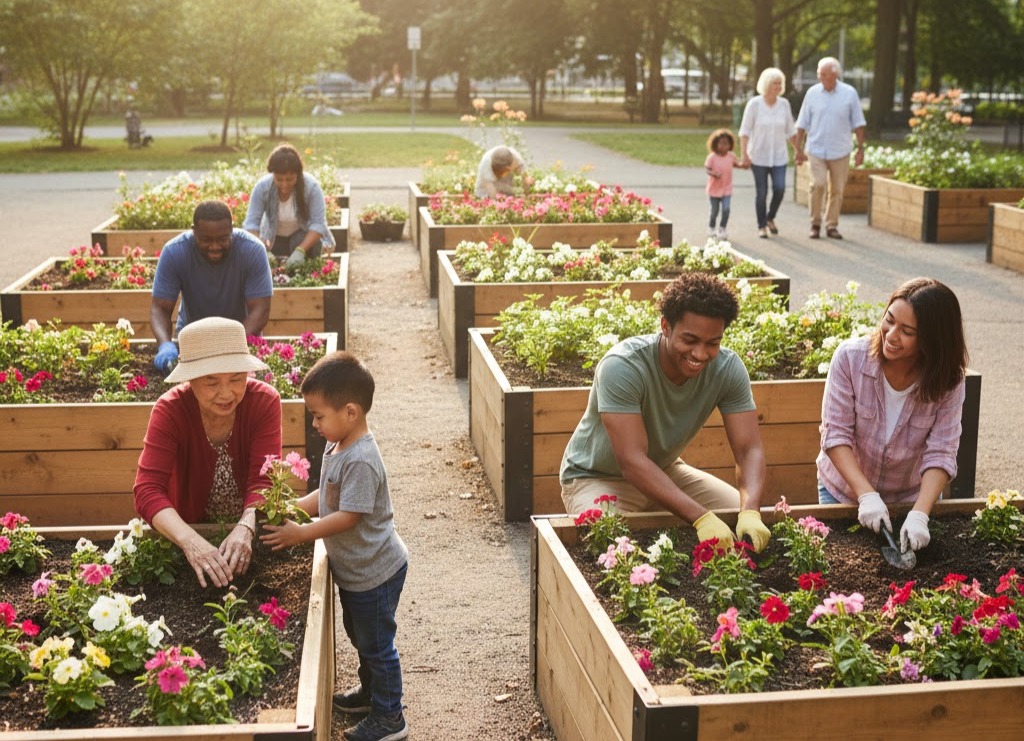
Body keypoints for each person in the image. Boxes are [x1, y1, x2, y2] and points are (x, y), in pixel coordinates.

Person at [559, 272, 772, 552]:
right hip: (595, 477)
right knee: (614, 552)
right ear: (665, 327)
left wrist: (750, 511)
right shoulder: (623, 366)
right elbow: (632, 461)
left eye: (712, 343)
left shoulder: (728, 368)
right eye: (690, 340)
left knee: (742, 526)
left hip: (664, 470)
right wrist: (701, 518)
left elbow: (748, 450)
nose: (700, 353)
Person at [261, 351, 409, 741]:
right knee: (361, 636)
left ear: (350, 412)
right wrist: (292, 507)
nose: (314, 423)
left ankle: (390, 717)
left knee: (378, 645)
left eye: (318, 415)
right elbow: (326, 497)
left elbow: (348, 516)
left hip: (375, 572)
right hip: (356, 570)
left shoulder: (361, 459)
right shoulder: (338, 444)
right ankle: (371, 694)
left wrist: (301, 533)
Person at [817, 278, 969, 554]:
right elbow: (836, 434)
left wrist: (920, 514)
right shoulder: (851, 359)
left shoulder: (949, 382)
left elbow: (942, 451)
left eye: (907, 331)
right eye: (889, 319)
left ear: (932, 341)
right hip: (844, 495)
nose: (891, 334)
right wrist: (866, 495)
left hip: (908, 500)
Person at [133, 317, 282, 588]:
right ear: (190, 379)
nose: (226, 393)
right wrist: (191, 543)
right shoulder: (170, 411)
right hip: (188, 532)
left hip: (251, 530)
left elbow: (264, 481)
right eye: (212, 382)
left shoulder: (264, 401)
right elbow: (147, 491)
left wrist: (246, 526)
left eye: (237, 378)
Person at [150, 200, 273, 373]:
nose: (215, 247)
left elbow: (260, 310)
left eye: (223, 239)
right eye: (206, 240)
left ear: (232, 230)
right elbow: (160, 308)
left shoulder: (251, 250)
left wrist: (229, 346)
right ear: (194, 232)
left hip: (240, 340)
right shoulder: (175, 252)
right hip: (192, 341)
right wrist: (165, 344)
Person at [794, 56, 866, 240]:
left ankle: (831, 225)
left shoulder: (849, 94)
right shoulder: (812, 93)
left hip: (840, 150)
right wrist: (798, 149)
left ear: (835, 75)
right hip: (816, 148)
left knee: (837, 190)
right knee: (817, 185)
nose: (821, 78)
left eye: (824, 74)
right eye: (819, 74)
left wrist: (860, 149)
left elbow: (858, 123)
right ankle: (815, 223)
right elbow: (802, 123)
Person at [243, 143, 337, 267]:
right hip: (273, 239)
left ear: (298, 175)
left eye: (289, 179)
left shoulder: (311, 187)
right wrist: (263, 249)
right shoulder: (262, 187)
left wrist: (300, 250)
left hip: (302, 238)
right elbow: (251, 224)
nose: (284, 184)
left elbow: (318, 224)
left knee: (301, 245)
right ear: (273, 175)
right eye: (279, 179)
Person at [739, 68, 800, 239]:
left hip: (779, 156)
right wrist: (744, 155)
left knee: (780, 189)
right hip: (758, 156)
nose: (778, 86)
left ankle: (770, 217)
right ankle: (761, 226)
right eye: (775, 83)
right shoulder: (754, 105)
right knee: (762, 192)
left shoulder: (784, 105)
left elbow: (790, 131)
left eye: (780, 83)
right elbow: (744, 132)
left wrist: (799, 150)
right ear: (766, 84)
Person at [704, 129, 744, 240]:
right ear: (715, 144)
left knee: (726, 209)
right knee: (714, 210)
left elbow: (737, 164)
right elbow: (707, 169)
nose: (723, 146)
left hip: (727, 188)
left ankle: (722, 228)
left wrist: (744, 164)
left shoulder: (731, 156)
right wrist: (714, 174)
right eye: (721, 143)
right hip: (714, 189)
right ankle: (711, 227)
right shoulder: (712, 157)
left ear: (730, 145)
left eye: (726, 144)